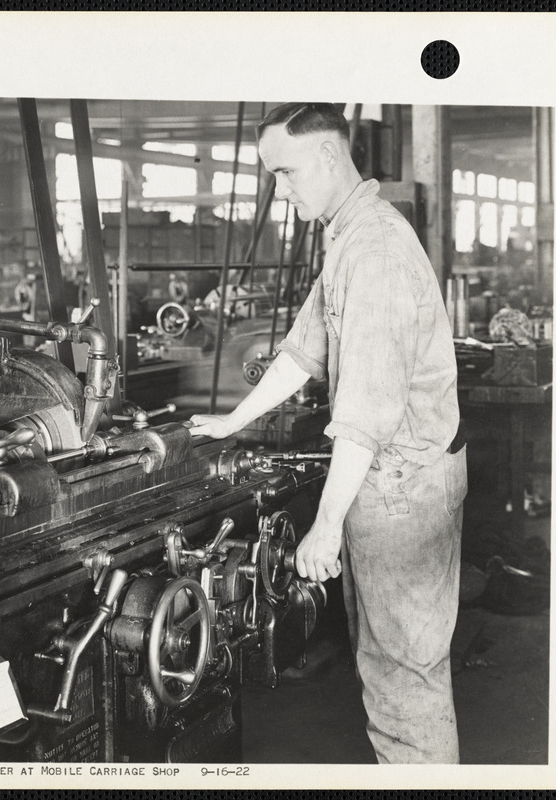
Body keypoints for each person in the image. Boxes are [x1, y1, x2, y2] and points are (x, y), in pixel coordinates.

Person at [190, 103, 468, 764]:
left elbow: (366, 414)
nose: (279, 191)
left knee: (404, 684)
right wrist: (234, 419)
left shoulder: (373, 249)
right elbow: (303, 349)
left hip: (401, 488)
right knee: (389, 667)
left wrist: (325, 524)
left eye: (284, 173)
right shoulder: (348, 233)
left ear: (326, 156)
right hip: (396, 477)